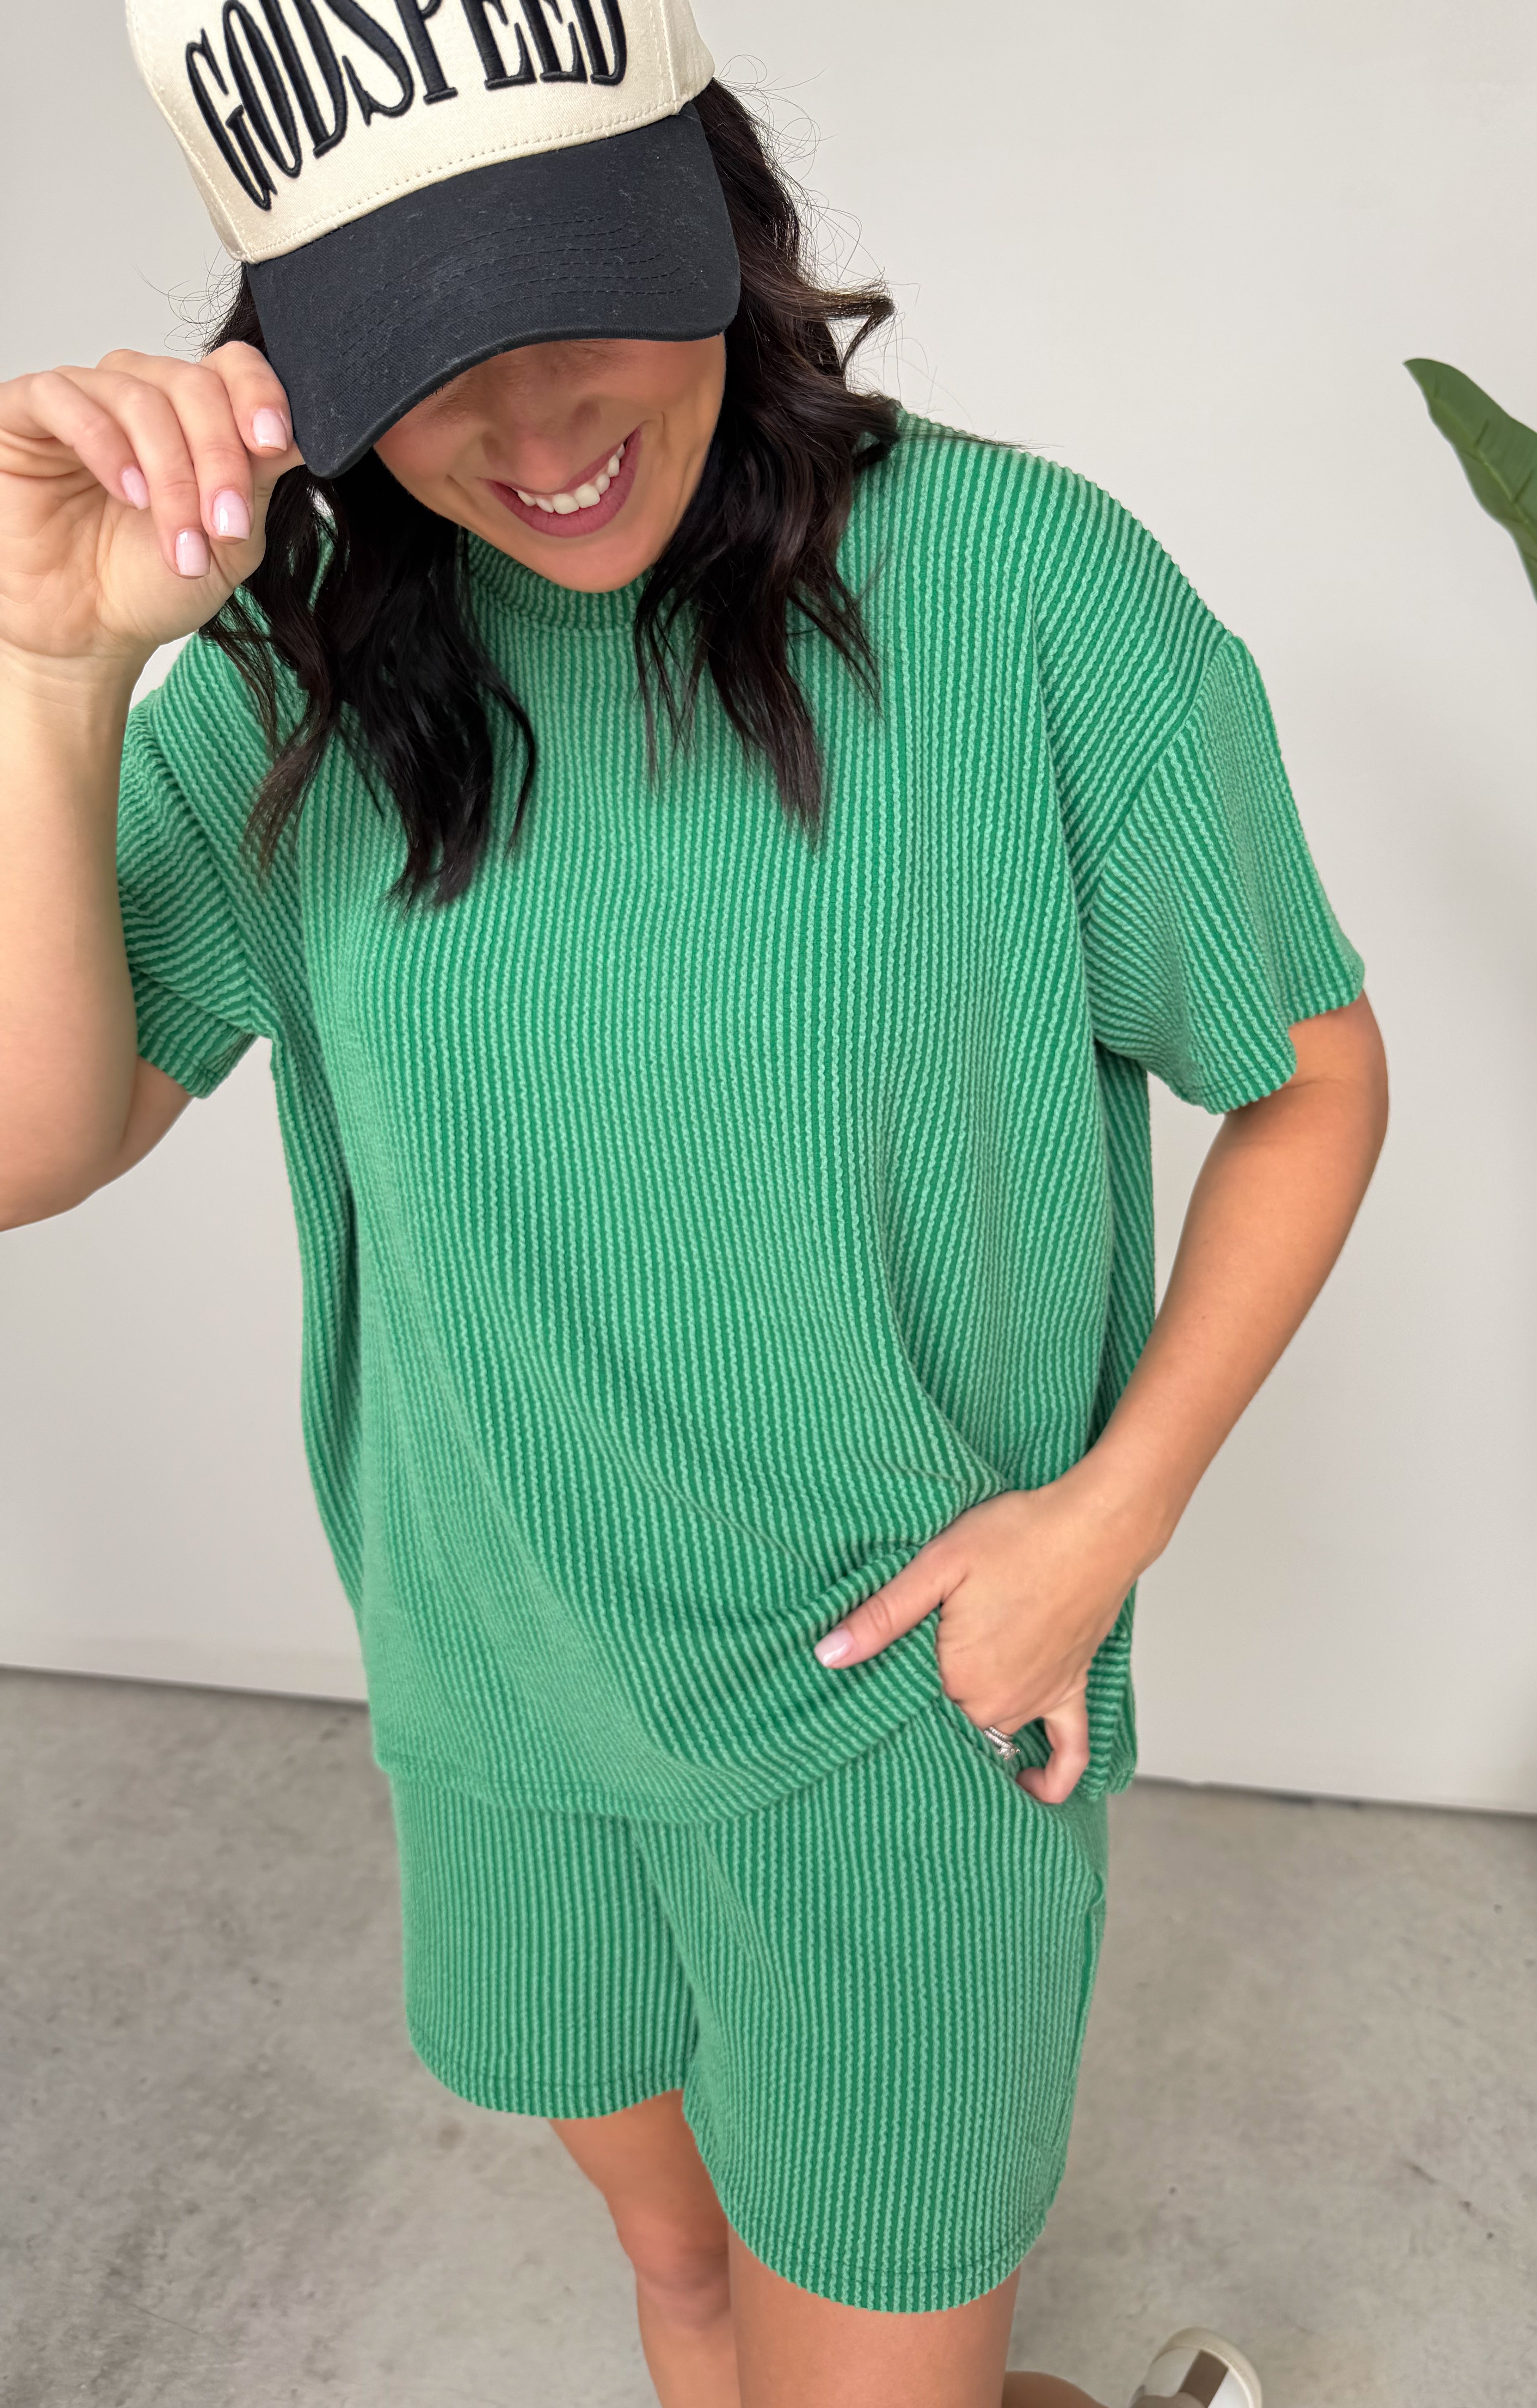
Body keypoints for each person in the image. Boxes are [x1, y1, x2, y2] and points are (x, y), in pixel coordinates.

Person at [0, 1, 1387, 2401]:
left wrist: (1106, 1522)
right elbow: (38, 1144)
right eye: (432, 355)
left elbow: (1315, 1078)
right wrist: (49, 684)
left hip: (895, 1716)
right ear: (300, 374)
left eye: (579, 299)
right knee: (686, 2283)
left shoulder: (1029, 592)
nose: (540, 428)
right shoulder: (302, 667)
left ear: (716, 212)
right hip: (501, 1696)